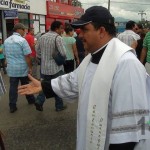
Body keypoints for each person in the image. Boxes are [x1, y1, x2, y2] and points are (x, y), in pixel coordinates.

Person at [18, 6, 150, 150]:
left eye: (85, 30)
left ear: (101, 31)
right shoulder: (91, 59)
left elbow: (133, 125)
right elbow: (73, 81)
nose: (79, 35)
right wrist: (44, 86)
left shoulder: (126, 64)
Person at [35, 21, 67, 112]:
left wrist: (42, 58)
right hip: (56, 68)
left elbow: (37, 50)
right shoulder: (58, 38)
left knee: (45, 85)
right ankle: (59, 106)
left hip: (44, 68)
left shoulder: (42, 37)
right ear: (56, 28)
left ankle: (39, 101)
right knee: (58, 86)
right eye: (61, 28)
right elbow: (64, 53)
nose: (62, 30)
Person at [4, 23, 35, 113]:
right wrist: (30, 67)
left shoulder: (6, 41)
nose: (25, 32)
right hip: (22, 68)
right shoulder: (22, 40)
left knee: (13, 87)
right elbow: (27, 56)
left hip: (12, 68)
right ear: (18, 30)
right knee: (25, 84)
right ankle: (31, 100)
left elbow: (6, 55)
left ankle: (12, 106)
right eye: (23, 30)